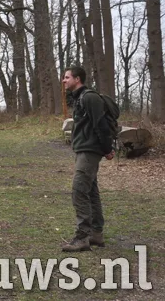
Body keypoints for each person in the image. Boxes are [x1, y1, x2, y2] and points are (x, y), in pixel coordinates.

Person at [61, 66, 116, 252]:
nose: (64, 80)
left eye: (67, 77)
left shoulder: (89, 97)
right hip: (83, 150)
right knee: (91, 192)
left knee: (79, 191)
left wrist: (108, 149)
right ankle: (96, 234)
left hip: (90, 151)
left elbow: (101, 125)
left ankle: (82, 236)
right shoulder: (78, 98)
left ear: (77, 79)